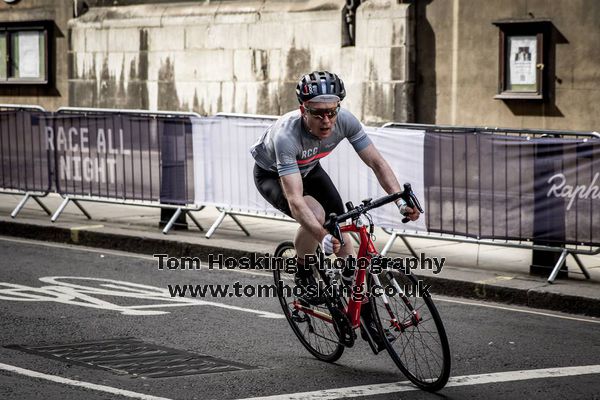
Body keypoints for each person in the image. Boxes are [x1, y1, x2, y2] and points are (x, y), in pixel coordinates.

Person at [250, 71, 420, 350]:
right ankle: (304, 272)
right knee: (316, 216)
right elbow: (295, 199)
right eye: (317, 113)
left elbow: (377, 162)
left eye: (331, 111)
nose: (326, 121)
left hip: (310, 168)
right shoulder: (285, 135)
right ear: (302, 109)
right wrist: (321, 235)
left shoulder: (346, 121)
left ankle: (368, 323)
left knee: (346, 247)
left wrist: (400, 200)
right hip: (272, 175)